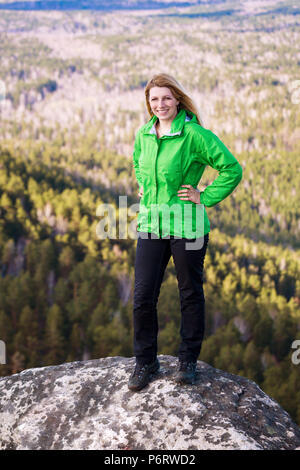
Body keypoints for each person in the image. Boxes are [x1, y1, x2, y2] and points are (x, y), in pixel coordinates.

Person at [128, 73, 243, 391]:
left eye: (166, 98)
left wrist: (204, 196)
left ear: (177, 99)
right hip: (152, 223)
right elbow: (138, 161)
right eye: (154, 99)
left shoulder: (194, 134)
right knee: (142, 297)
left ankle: (187, 362)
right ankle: (145, 363)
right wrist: (144, 185)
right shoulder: (144, 133)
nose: (160, 104)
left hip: (187, 225)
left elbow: (232, 168)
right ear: (148, 104)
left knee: (190, 293)